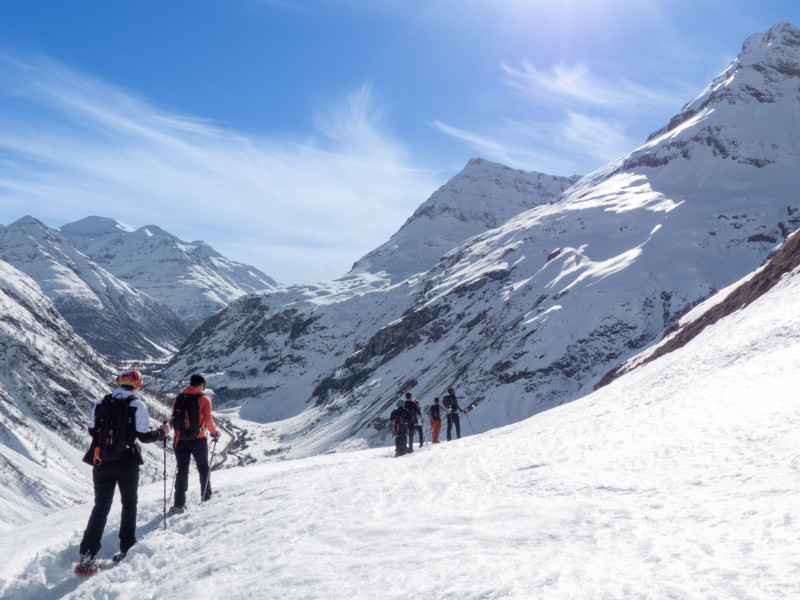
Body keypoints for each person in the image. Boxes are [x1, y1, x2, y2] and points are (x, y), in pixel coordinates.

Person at [76, 369, 169, 575]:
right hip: (127, 462)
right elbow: (144, 436)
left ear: (118, 383)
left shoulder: (102, 401)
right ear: (138, 385)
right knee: (129, 503)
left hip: (101, 461)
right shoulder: (137, 404)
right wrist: (162, 432)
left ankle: (88, 554)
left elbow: (92, 430)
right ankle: (127, 546)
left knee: (101, 506)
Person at [168, 374, 220, 515]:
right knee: (203, 468)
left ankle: (179, 504)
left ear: (190, 384)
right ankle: (206, 496)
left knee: (182, 470)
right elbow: (208, 420)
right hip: (198, 439)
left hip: (179, 440)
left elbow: (173, 416)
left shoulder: (179, 398)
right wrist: (214, 433)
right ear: (202, 385)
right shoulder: (204, 399)